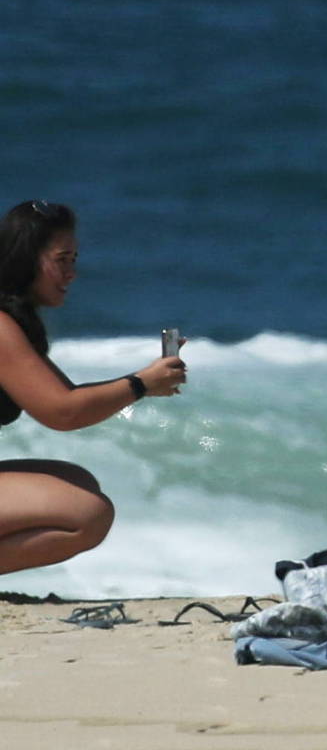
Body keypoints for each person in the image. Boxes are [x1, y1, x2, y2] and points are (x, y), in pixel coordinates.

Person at [0, 199, 190, 577]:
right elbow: (62, 412)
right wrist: (139, 384)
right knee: (87, 512)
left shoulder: (12, 322)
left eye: (74, 259)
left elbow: (65, 396)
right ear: (27, 259)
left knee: (79, 482)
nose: (72, 273)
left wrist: (145, 384)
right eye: (62, 259)